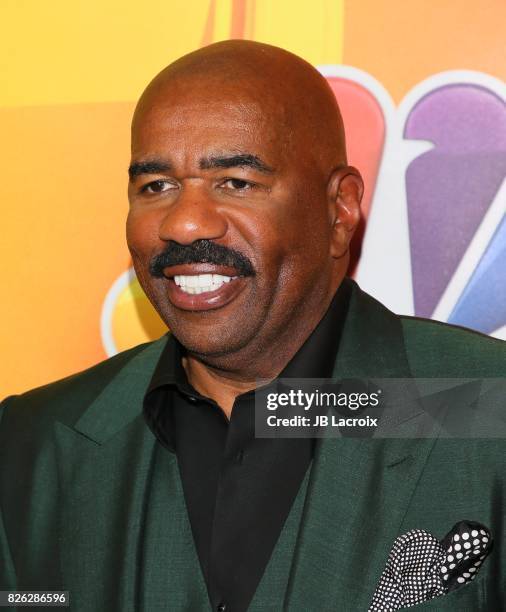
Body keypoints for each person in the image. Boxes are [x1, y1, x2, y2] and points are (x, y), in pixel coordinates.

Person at [0, 40, 504, 612]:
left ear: (339, 209)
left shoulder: (489, 405)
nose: (185, 223)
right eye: (156, 186)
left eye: (236, 182)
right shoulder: (31, 445)